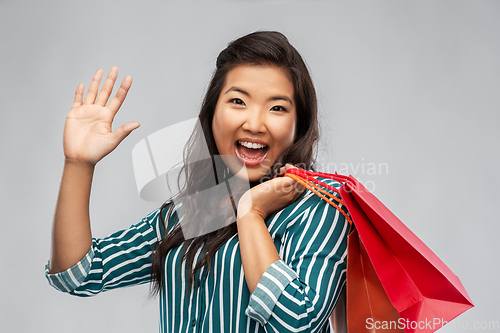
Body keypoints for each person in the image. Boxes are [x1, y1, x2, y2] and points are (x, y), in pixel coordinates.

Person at [46, 31, 349, 333]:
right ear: (213, 113)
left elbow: (297, 324)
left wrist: (250, 214)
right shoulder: (190, 211)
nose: (255, 124)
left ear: (301, 124)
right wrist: (78, 164)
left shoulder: (320, 208)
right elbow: (77, 274)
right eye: (238, 101)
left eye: (277, 108)